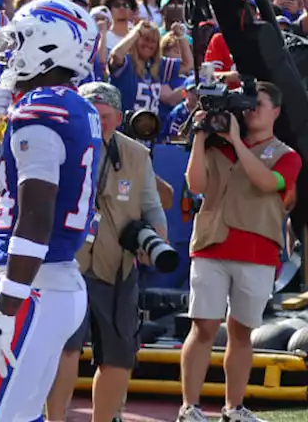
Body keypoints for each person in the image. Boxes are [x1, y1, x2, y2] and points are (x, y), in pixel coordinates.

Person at [0, 0, 102, 422]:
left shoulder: (43, 109)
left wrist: (7, 308)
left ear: (47, 45)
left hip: (35, 287)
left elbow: (35, 216)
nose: (7, 51)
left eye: (19, 40)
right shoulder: (71, 104)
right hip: (52, 284)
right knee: (21, 416)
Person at [46, 83, 169, 422]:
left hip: (117, 267)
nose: (96, 125)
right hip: (67, 266)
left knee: (118, 356)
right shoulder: (58, 148)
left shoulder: (136, 154)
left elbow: (152, 206)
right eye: (89, 117)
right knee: (65, 349)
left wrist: (157, 238)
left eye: (103, 117)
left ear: (118, 118)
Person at [178, 81, 298, 422]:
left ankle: (234, 407)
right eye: (246, 104)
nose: (249, 110)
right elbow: (196, 185)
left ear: (276, 111)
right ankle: (190, 406)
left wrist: (235, 141)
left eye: (257, 104)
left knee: (241, 332)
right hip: (211, 246)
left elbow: (267, 183)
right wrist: (200, 137)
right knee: (202, 327)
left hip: (258, 250)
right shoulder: (217, 146)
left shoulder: (287, 155)